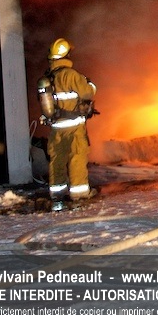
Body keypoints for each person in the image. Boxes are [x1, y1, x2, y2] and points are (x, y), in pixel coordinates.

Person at [39, 38, 97, 211]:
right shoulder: (71, 75)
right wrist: (89, 83)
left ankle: (57, 196)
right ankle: (79, 195)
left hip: (56, 129)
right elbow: (88, 92)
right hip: (74, 126)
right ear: (67, 55)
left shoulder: (48, 77)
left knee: (57, 160)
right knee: (76, 157)